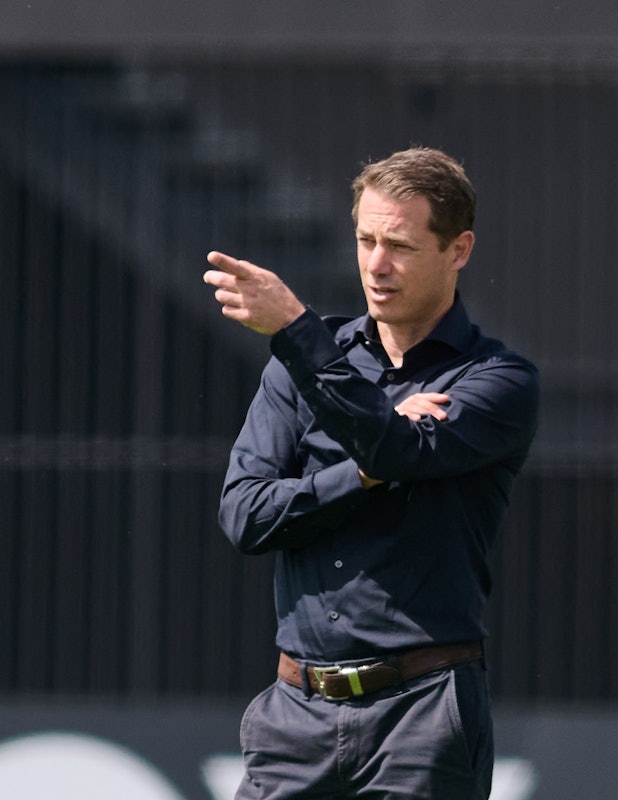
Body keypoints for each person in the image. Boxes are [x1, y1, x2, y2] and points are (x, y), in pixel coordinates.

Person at [203, 147, 539, 799]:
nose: (376, 265)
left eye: (401, 246)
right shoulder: (297, 369)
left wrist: (298, 333)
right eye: (365, 240)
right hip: (292, 712)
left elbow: (396, 453)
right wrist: (359, 469)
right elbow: (244, 517)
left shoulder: (496, 380)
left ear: (458, 249)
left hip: (420, 716)